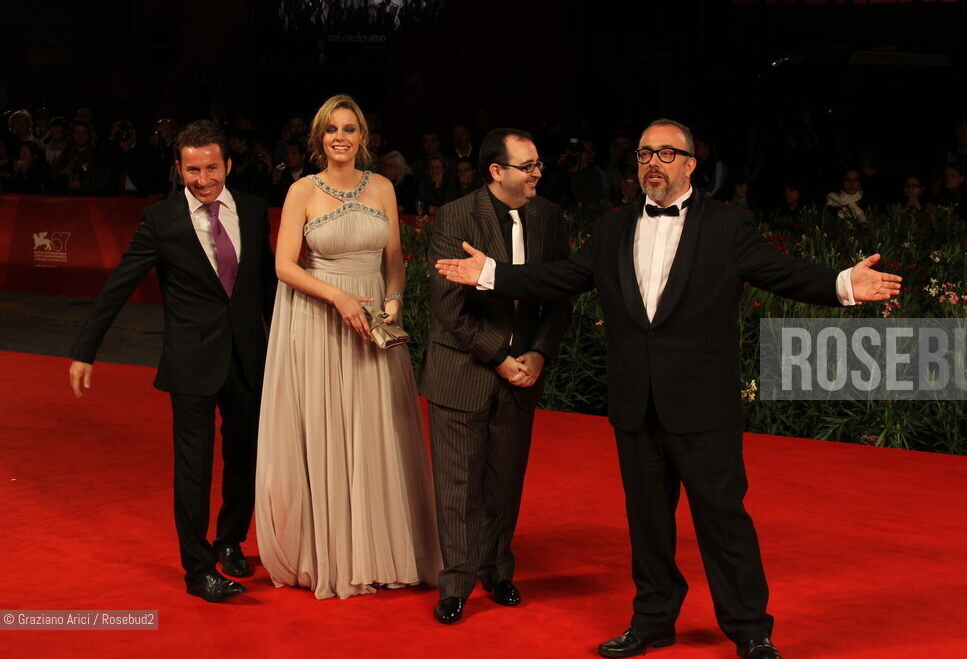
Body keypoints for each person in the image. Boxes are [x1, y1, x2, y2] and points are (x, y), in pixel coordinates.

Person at [435, 119, 902, 659]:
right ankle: (653, 620)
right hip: (637, 403)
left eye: (664, 153)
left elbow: (782, 272)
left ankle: (750, 630)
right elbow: (559, 278)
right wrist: (491, 274)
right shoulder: (612, 229)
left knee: (723, 522)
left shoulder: (727, 226)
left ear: (690, 163)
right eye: (643, 154)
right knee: (648, 524)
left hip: (704, 406)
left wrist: (843, 283)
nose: (651, 163)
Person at [68, 120, 277, 602]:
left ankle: (229, 541)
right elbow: (119, 284)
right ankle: (198, 568)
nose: (202, 180)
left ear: (227, 164)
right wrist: (85, 350)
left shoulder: (250, 209)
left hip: (248, 357)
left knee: (244, 456)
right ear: (178, 169)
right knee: (193, 466)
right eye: (191, 170)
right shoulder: (161, 221)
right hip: (191, 362)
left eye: (210, 168)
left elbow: (266, 289)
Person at [255, 94, 440, 600]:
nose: (341, 137)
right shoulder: (301, 192)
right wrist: (338, 297)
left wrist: (394, 304)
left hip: (375, 326)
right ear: (319, 139)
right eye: (331, 129)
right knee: (329, 430)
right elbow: (285, 266)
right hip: (320, 322)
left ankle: (383, 551)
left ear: (364, 138)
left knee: (378, 430)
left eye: (350, 129)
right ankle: (334, 552)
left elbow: (394, 260)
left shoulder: (383, 187)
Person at [420, 127, 571, 624]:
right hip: (463, 369)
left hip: (524, 372)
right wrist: (501, 357)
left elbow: (559, 296)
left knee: (505, 481)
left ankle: (497, 569)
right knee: (458, 484)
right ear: (496, 171)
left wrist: (538, 355)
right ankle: (457, 582)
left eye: (538, 165)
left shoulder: (549, 217)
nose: (537, 174)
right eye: (527, 166)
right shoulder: (456, 215)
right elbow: (448, 308)